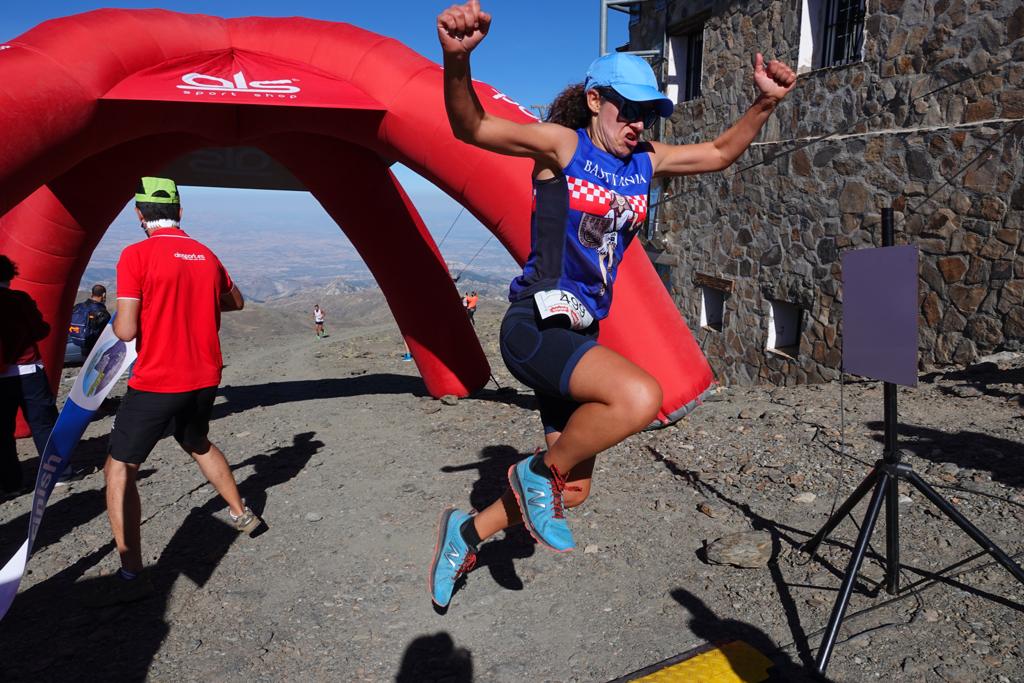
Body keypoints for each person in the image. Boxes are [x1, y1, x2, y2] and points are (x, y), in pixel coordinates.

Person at [429, 1, 796, 607]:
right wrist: (457, 60)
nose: (639, 125)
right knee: (639, 396)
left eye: (650, 113)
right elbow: (471, 127)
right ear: (598, 100)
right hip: (534, 327)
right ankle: (533, 472)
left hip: (580, 338)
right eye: (630, 110)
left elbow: (719, 153)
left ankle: (464, 533)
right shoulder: (562, 147)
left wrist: (764, 102)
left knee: (574, 492)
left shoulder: (646, 164)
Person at [89, 177, 260, 606]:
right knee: (197, 440)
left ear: (139, 214)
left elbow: (126, 329)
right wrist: (195, 300)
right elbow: (236, 302)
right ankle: (242, 514)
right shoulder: (204, 253)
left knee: (119, 467)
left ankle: (131, 571)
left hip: (157, 381)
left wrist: (137, 310)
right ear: (180, 213)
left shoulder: (136, 255)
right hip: (204, 376)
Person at [0, 256, 59, 496]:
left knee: (3, 431)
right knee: (43, 423)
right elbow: (42, 330)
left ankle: (11, 483)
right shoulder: (20, 300)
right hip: (28, 370)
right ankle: (57, 474)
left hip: (1, 376)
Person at [68, 284, 111, 358]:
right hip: (95, 348)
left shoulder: (78, 306)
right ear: (103, 295)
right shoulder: (103, 313)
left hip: (82, 345)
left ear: (92, 294)